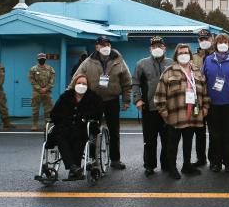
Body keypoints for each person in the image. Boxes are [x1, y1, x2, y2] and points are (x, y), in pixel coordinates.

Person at [71, 36, 132, 169]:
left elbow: (127, 82)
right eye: (103, 44)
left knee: (114, 131)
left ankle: (115, 159)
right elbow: (76, 78)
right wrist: (69, 95)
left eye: (108, 44)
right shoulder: (88, 61)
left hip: (112, 100)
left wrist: (126, 100)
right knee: (92, 130)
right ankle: (93, 159)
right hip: (93, 100)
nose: (106, 46)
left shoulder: (119, 60)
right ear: (97, 47)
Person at [154, 44, 211, 179]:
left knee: (188, 142)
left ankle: (186, 165)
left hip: (193, 115)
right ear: (176, 56)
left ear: (190, 55)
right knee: (172, 143)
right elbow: (159, 94)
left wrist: (205, 108)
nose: (184, 55)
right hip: (175, 115)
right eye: (180, 53)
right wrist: (163, 111)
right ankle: (172, 167)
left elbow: (205, 93)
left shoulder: (197, 71)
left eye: (186, 52)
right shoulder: (168, 72)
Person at [132, 36, 173, 176]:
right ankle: (149, 165)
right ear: (150, 48)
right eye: (154, 46)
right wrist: (137, 100)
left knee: (167, 139)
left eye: (159, 46)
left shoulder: (172, 63)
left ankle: (166, 164)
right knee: (149, 140)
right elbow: (135, 83)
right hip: (149, 108)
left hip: (168, 109)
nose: (157, 48)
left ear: (164, 48)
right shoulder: (141, 64)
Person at [50, 74, 103, 181]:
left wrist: (84, 118)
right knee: (60, 136)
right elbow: (54, 113)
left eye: (84, 83)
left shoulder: (93, 98)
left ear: (88, 86)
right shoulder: (65, 96)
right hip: (65, 126)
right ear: (74, 84)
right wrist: (63, 120)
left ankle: (73, 168)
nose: (81, 85)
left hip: (83, 126)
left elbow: (97, 114)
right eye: (79, 83)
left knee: (79, 137)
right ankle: (74, 167)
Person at [202, 33, 229, 173]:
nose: (222, 44)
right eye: (220, 42)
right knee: (214, 135)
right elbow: (203, 79)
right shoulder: (208, 60)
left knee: (228, 134)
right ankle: (215, 162)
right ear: (216, 44)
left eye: (225, 42)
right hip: (213, 103)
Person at [190, 28, 213, 168]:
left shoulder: (217, 55)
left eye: (207, 39)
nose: (204, 41)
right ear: (198, 41)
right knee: (199, 130)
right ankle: (201, 158)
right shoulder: (192, 57)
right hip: (197, 100)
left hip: (213, 99)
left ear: (211, 40)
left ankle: (214, 158)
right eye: (201, 39)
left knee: (214, 131)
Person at [29, 52, 55, 132]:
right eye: (40, 59)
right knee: (35, 109)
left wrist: (46, 88)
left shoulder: (50, 69)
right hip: (36, 92)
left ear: (45, 59)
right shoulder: (33, 69)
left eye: (43, 59)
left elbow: (52, 80)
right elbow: (31, 80)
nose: (42, 60)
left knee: (48, 110)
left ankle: (47, 125)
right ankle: (34, 125)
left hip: (47, 92)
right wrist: (39, 88)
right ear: (38, 59)